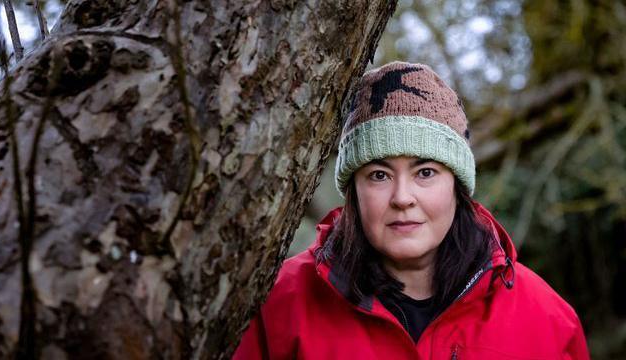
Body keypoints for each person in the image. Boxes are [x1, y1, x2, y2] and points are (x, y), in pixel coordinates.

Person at [233, 62, 590, 359]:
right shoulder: (281, 303)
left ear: (458, 185)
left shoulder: (547, 320)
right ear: (353, 190)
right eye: (379, 174)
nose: (402, 197)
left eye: (425, 172)